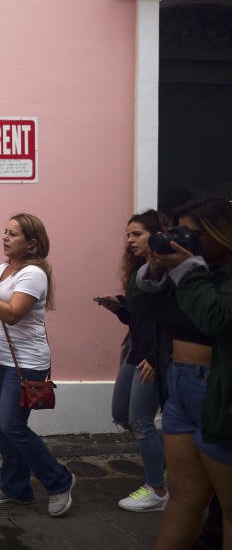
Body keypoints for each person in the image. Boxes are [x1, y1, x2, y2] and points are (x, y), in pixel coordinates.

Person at [0, 213, 75, 517]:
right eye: (5, 232)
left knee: (13, 426)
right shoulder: (2, 269)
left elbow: (12, 314)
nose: (5, 238)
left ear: (31, 243)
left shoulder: (33, 274)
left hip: (27, 363)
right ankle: (16, 488)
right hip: (2, 359)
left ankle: (59, 481)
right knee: (1, 424)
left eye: (13, 234)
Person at [135, 197, 232, 549]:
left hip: (219, 390)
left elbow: (216, 319)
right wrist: (156, 272)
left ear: (220, 233)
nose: (180, 242)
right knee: (184, 497)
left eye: (189, 234)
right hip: (179, 384)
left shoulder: (208, 273)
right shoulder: (190, 270)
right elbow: (143, 311)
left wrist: (189, 270)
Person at [97, 210, 170, 512]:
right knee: (122, 415)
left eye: (136, 234)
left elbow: (166, 320)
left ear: (157, 235)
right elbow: (140, 320)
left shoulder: (165, 272)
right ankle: (174, 462)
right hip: (136, 350)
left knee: (141, 421)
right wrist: (120, 309)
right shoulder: (140, 271)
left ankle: (158, 489)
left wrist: (155, 357)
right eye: (127, 235)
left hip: (153, 356)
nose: (129, 240)